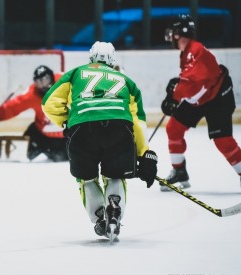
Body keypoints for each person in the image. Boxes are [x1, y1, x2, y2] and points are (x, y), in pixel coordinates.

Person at [42, 41, 158, 241]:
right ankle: (114, 210)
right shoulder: (126, 80)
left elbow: (48, 103)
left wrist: (67, 121)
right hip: (119, 128)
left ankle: (99, 219)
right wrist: (144, 152)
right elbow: (137, 121)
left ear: (90, 58)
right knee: (115, 175)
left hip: (82, 128)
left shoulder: (76, 73)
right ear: (113, 61)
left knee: (86, 178)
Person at [161, 14, 241, 194]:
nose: (170, 36)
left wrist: (174, 97)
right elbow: (191, 82)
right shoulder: (186, 52)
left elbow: (194, 81)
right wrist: (174, 94)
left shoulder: (195, 50)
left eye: (173, 32)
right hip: (201, 96)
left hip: (218, 98)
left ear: (179, 33)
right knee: (173, 128)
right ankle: (179, 171)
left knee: (223, 140)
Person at [0, 65, 68, 162]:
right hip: (40, 135)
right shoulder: (32, 94)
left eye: (45, 80)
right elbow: (14, 106)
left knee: (66, 157)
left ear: (52, 77)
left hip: (66, 138)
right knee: (21, 154)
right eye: (38, 82)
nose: (42, 85)